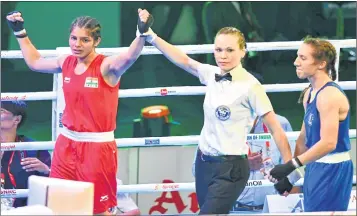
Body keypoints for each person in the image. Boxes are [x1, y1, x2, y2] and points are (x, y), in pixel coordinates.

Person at [6, 9, 154, 214]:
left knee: (98, 209)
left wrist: (141, 33)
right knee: (59, 203)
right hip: (66, 144)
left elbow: (129, 57)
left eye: (84, 40)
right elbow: (35, 62)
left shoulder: (106, 65)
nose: (77, 44)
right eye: (73, 38)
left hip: (96, 148)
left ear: (96, 41)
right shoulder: (65, 62)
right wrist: (20, 32)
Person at [142, 26, 293, 214]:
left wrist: (287, 168)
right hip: (204, 162)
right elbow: (184, 60)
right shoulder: (211, 74)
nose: (223, 55)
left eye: (230, 50)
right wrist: (151, 35)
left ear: (243, 52)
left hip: (231, 169)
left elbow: (276, 129)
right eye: (219, 50)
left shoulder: (251, 86)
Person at [269, 37, 353, 212]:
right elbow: (303, 138)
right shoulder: (309, 93)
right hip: (315, 166)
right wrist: (291, 177)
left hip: (333, 169)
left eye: (303, 58)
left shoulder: (329, 95)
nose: (295, 62)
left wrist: (291, 165)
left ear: (321, 64)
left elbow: (328, 143)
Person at [1, 101, 51, 208]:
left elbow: (52, 184)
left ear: (17, 119)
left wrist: (45, 170)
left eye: (1, 111)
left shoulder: (35, 149)